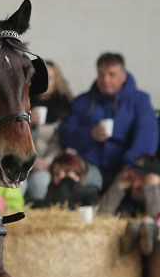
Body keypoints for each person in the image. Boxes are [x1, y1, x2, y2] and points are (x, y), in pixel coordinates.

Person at [60, 52, 158, 190]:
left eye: (112, 74)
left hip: (125, 166)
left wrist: (130, 167)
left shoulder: (140, 101)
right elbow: (66, 133)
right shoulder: (82, 101)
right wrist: (89, 134)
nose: (105, 80)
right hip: (88, 167)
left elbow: (146, 136)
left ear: (123, 76)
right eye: (101, 74)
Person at [24, 60, 73, 202]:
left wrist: (47, 162)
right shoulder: (22, 102)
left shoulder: (65, 106)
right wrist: (26, 120)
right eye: (38, 78)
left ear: (57, 81)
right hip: (25, 161)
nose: (43, 82)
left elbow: (61, 142)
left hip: (50, 163)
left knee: (41, 183)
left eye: (49, 78)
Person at [98, 155, 160, 255]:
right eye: (133, 177)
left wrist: (152, 189)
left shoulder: (154, 191)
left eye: (143, 179)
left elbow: (157, 217)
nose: (135, 184)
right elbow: (101, 216)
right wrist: (117, 188)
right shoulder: (125, 192)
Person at [33, 153, 99, 209]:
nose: (61, 176)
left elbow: (66, 207)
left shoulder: (88, 194)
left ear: (78, 174)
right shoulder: (52, 189)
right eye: (56, 174)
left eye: (67, 172)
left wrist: (66, 183)